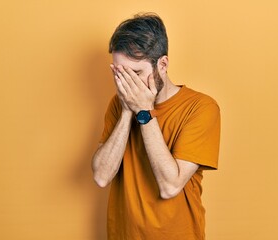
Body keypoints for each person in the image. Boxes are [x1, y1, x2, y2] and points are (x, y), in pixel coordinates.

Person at [92, 12, 220, 240]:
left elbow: (170, 186)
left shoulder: (201, 108)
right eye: (121, 73)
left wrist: (144, 111)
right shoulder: (119, 104)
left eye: (137, 73)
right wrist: (126, 111)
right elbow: (101, 176)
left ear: (163, 64)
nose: (128, 84)